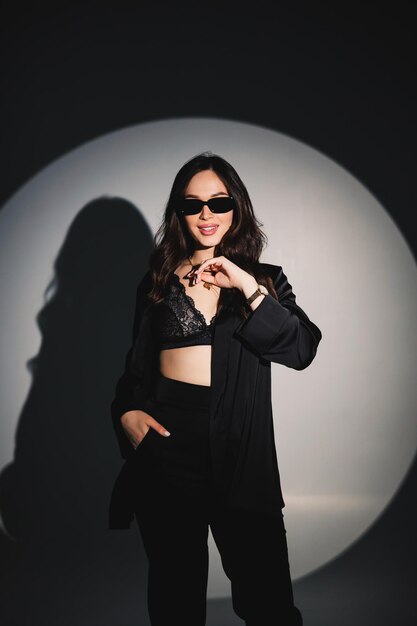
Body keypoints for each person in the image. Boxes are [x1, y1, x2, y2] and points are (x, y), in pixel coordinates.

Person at [108, 152, 322, 626]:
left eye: (218, 202)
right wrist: (125, 413)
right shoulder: (155, 283)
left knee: (268, 606)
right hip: (166, 449)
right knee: (174, 604)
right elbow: (135, 373)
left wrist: (245, 284)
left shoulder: (264, 281)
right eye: (192, 205)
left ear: (236, 208)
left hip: (240, 453)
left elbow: (302, 349)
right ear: (178, 213)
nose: (206, 215)